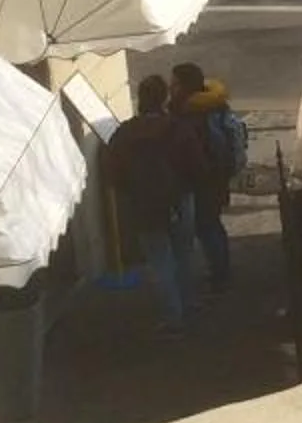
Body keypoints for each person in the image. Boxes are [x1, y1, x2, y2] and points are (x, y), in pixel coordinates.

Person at [103, 75, 198, 335]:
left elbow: (113, 171)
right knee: (183, 254)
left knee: (159, 261)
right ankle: (189, 304)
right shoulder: (176, 128)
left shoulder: (125, 132)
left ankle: (172, 317)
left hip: (144, 204)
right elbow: (195, 164)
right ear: (164, 98)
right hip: (179, 200)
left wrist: (130, 192)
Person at [169, 62, 248, 297]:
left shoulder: (191, 114)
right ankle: (221, 271)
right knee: (213, 225)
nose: (170, 88)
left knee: (206, 227)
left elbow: (189, 152)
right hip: (218, 177)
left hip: (203, 180)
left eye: (174, 84)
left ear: (184, 87)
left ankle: (220, 276)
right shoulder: (215, 105)